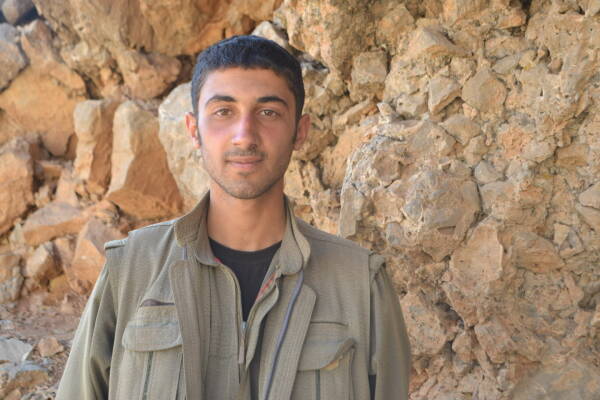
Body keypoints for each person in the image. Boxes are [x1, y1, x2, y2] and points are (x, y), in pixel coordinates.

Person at [56, 35, 410, 400]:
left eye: (268, 112)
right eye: (224, 111)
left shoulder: (360, 284)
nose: (245, 135)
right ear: (194, 130)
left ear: (299, 132)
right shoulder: (131, 269)